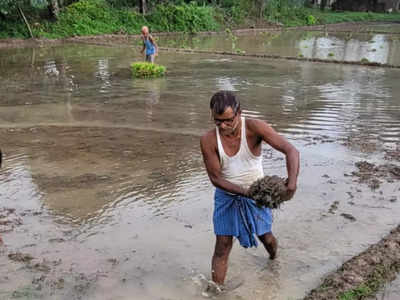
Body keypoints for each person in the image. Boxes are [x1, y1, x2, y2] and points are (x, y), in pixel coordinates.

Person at [200, 90, 299, 287]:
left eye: (228, 120)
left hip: (258, 196)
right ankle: (216, 291)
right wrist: (246, 192)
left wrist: (292, 183)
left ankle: (273, 260)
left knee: (266, 238)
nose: (223, 126)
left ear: (239, 113)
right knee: (222, 247)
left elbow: (291, 150)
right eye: (217, 121)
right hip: (227, 197)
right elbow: (216, 179)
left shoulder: (254, 127)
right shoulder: (209, 140)